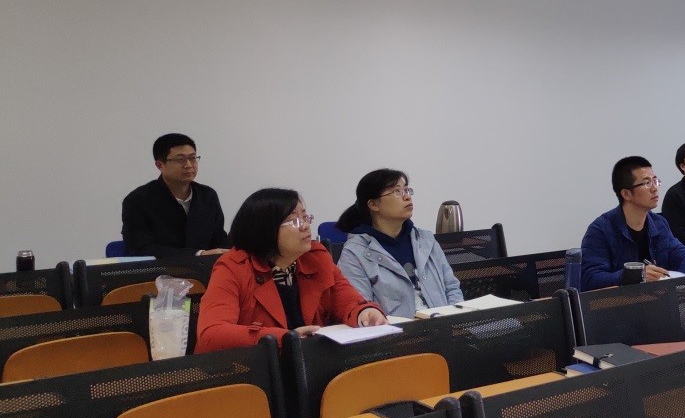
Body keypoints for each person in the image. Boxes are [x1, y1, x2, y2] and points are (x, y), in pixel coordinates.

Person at [197, 188, 386, 353]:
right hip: (254, 370)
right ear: (265, 229)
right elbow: (212, 334)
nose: (306, 226)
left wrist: (365, 312)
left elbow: (348, 300)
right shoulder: (233, 267)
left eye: (305, 217)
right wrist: (284, 338)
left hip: (310, 362)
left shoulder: (316, 257)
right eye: (294, 221)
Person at [334, 170, 464, 319]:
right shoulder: (354, 253)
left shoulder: (426, 240)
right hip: (397, 332)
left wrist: (457, 321)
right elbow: (362, 308)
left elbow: (452, 288)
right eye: (397, 191)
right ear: (374, 204)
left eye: (407, 190)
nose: (407, 196)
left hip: (444, 327)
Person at [581, 156, 685, 289]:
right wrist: (636, 275)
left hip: (657, 298)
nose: (654, 188)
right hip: (620, 301)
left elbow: (677, 252)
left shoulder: (659, 223)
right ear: (626, 194)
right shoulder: (600, 230)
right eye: (646, 183)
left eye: (655, 181)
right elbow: (590, 279)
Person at [120, 133, 229, 259]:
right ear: (160, 165)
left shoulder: (207, 196)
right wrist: (198, 255)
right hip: (162, 270)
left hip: (207, 269)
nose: (189, 165)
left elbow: (219, 240)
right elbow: (140, 248)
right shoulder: (138, 201)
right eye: (180, 160)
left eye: (192, 158)